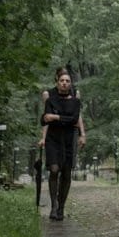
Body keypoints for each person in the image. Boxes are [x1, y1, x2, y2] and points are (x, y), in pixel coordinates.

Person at [39, 68, 83, 220]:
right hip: (53, 139)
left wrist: (56, 117)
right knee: (54, 169)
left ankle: (61, 207)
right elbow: (43, 119)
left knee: (66, 173)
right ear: (57, 82)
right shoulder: (50, 100)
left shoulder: (76, 102)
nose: (64, 83)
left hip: (69, 140)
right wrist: (51, 119)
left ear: (71, 84)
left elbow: (74, 120)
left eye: (67, 81)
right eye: (62, 81)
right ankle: (53, 206)